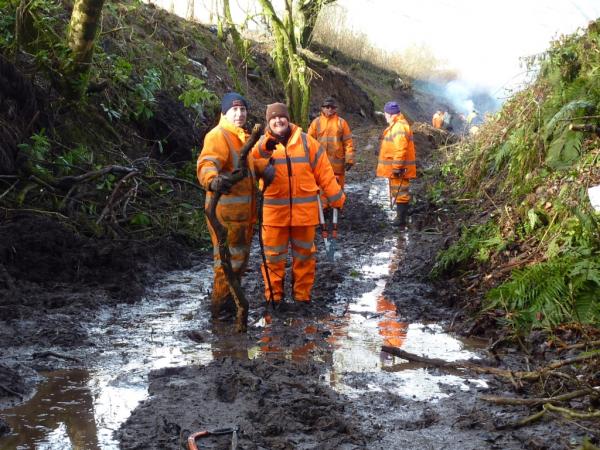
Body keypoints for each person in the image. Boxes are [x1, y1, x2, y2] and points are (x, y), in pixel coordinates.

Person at [252, 102, 345, 304]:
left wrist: (336, 197)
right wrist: (262, 159)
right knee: (273, 258)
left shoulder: (307, 143)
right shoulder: (261, 146)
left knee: (304, 257)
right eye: (273, 118)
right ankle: (274, 298)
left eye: (281, 117)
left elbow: (324, 172)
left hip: (304, 215)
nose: (278, 121)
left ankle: (302, 297)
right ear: (268, 122)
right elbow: (251, 166)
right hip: (274, 216)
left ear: (288, 119)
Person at [196, 92, 259, 319]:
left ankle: (231, 305)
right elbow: (207, 162)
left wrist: (265, 167)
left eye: (243, 109)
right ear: (224, 112)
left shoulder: (243, 137)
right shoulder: (219, 135)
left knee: (238, 262)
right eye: (234, 110)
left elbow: (249, 171)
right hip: (226, 216)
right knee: (226, 264)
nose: (239, 114)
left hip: (242, 216)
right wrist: (212, 180)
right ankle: (221, 311)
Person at [376, 101, 417, 226]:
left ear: (390, 114)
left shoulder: (398, 127)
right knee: (398, 192)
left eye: (385, 113)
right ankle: (402, 216)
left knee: (401, 193)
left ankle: (401, 219)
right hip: (397, 168)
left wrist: (397, 167)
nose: (385, 116)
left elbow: (401, 149)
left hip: (399, 169)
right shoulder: (397, 125)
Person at [307, 97, 355, 195]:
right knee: (321, 188)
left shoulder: (341, 123)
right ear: (322, 108)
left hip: (337, 165)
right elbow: (309, 142)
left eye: (332, 107)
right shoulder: (316, 123)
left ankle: (339, 203)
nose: (330, 109)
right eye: (327, 107)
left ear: (335, 109)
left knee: (338, 190)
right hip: (320, 163)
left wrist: (349, 159)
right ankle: (324, 204)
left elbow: (348, 142)